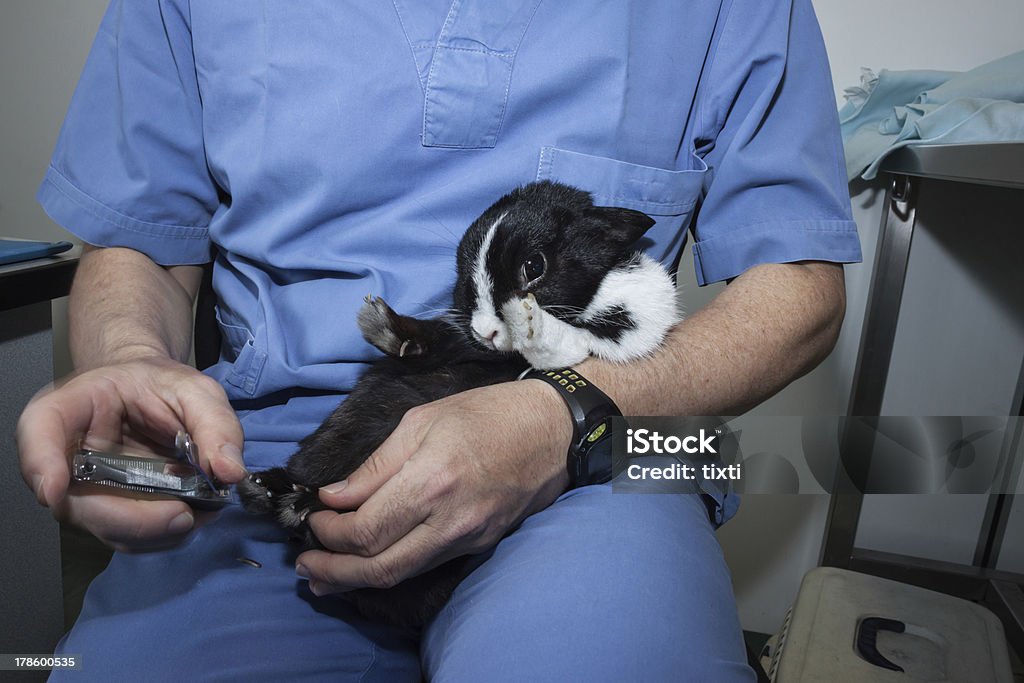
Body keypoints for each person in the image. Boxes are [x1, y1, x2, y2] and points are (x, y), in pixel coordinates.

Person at [19, 1, 860, 680]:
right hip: (283, 455)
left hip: (598, 445)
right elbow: (140, 250)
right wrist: (132, 362)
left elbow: (802, 289)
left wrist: (557, 416)